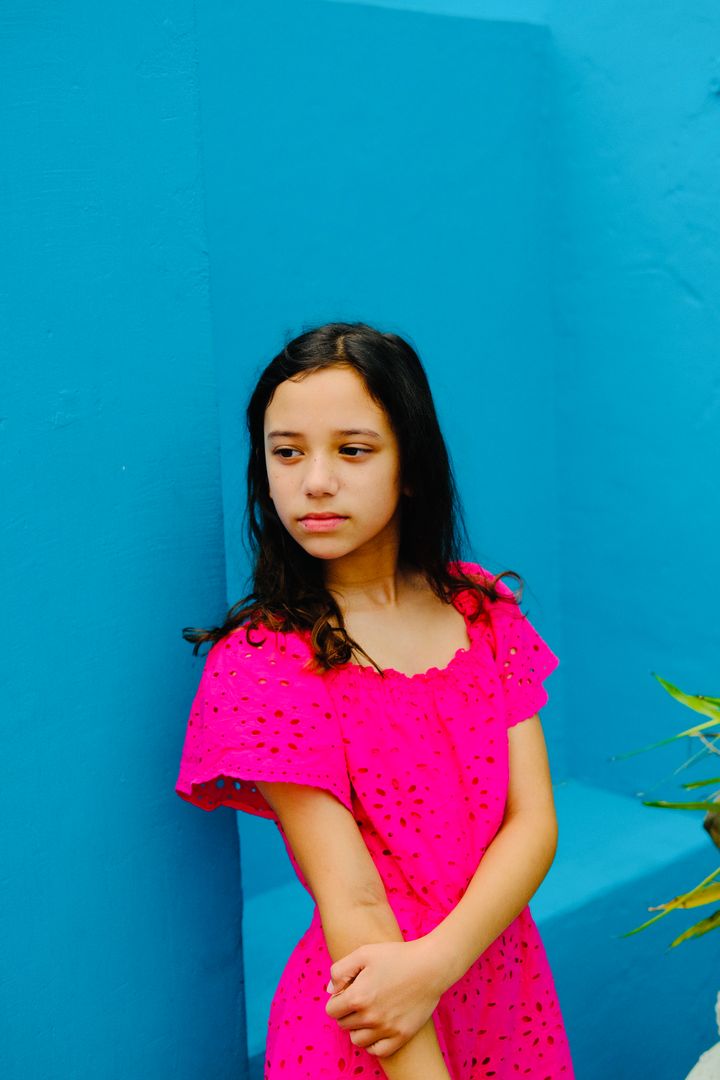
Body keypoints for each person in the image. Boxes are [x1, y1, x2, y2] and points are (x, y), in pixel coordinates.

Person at [175, 322, 574, 1079]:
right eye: (287, 452)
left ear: (411, 466)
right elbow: (353, 901)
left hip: (502, 985)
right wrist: (415, 997)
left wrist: (440, 963)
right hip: (372, 1020)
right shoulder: (262, 662)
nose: (315, 481)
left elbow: (533, 823)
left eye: (352, 450)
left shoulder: (482, 611)